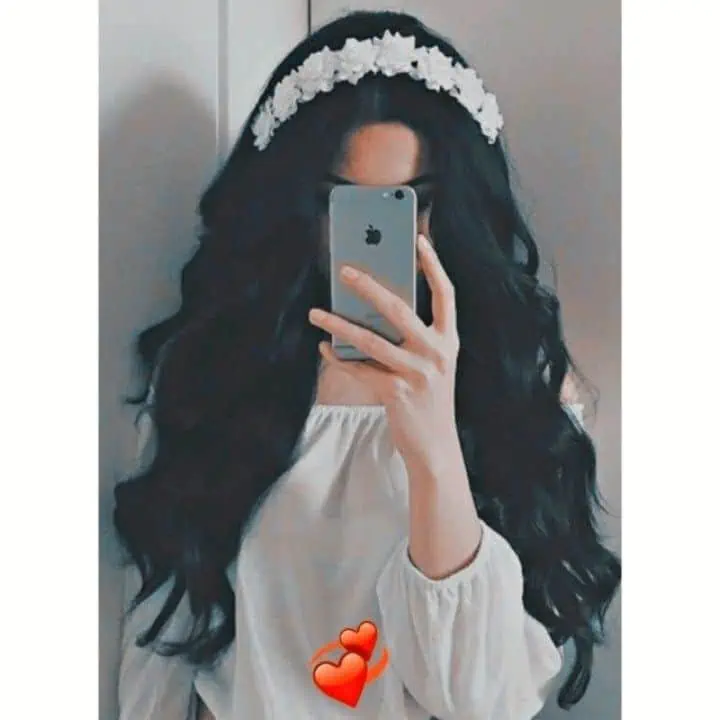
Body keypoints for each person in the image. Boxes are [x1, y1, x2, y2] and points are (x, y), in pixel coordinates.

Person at [114, 10, 621, 720]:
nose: (386, 236)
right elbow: (161, 646)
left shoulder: (519, 386)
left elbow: (483, 700)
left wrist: (434, 448)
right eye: (345, 203)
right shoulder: (215, 376)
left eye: (416, 202)